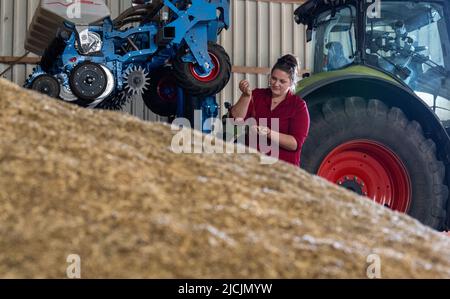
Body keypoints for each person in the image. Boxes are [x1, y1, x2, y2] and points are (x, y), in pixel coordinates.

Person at [230, 54, 310, 166]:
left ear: (291, 82)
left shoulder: (298, 106)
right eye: (273, 78)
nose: (276, 84)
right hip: (251, 166)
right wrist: (245, 96)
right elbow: (235, 119)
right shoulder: (257, 95)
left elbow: (295, 143)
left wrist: (268, 133)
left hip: (282, 170)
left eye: (282, 81)